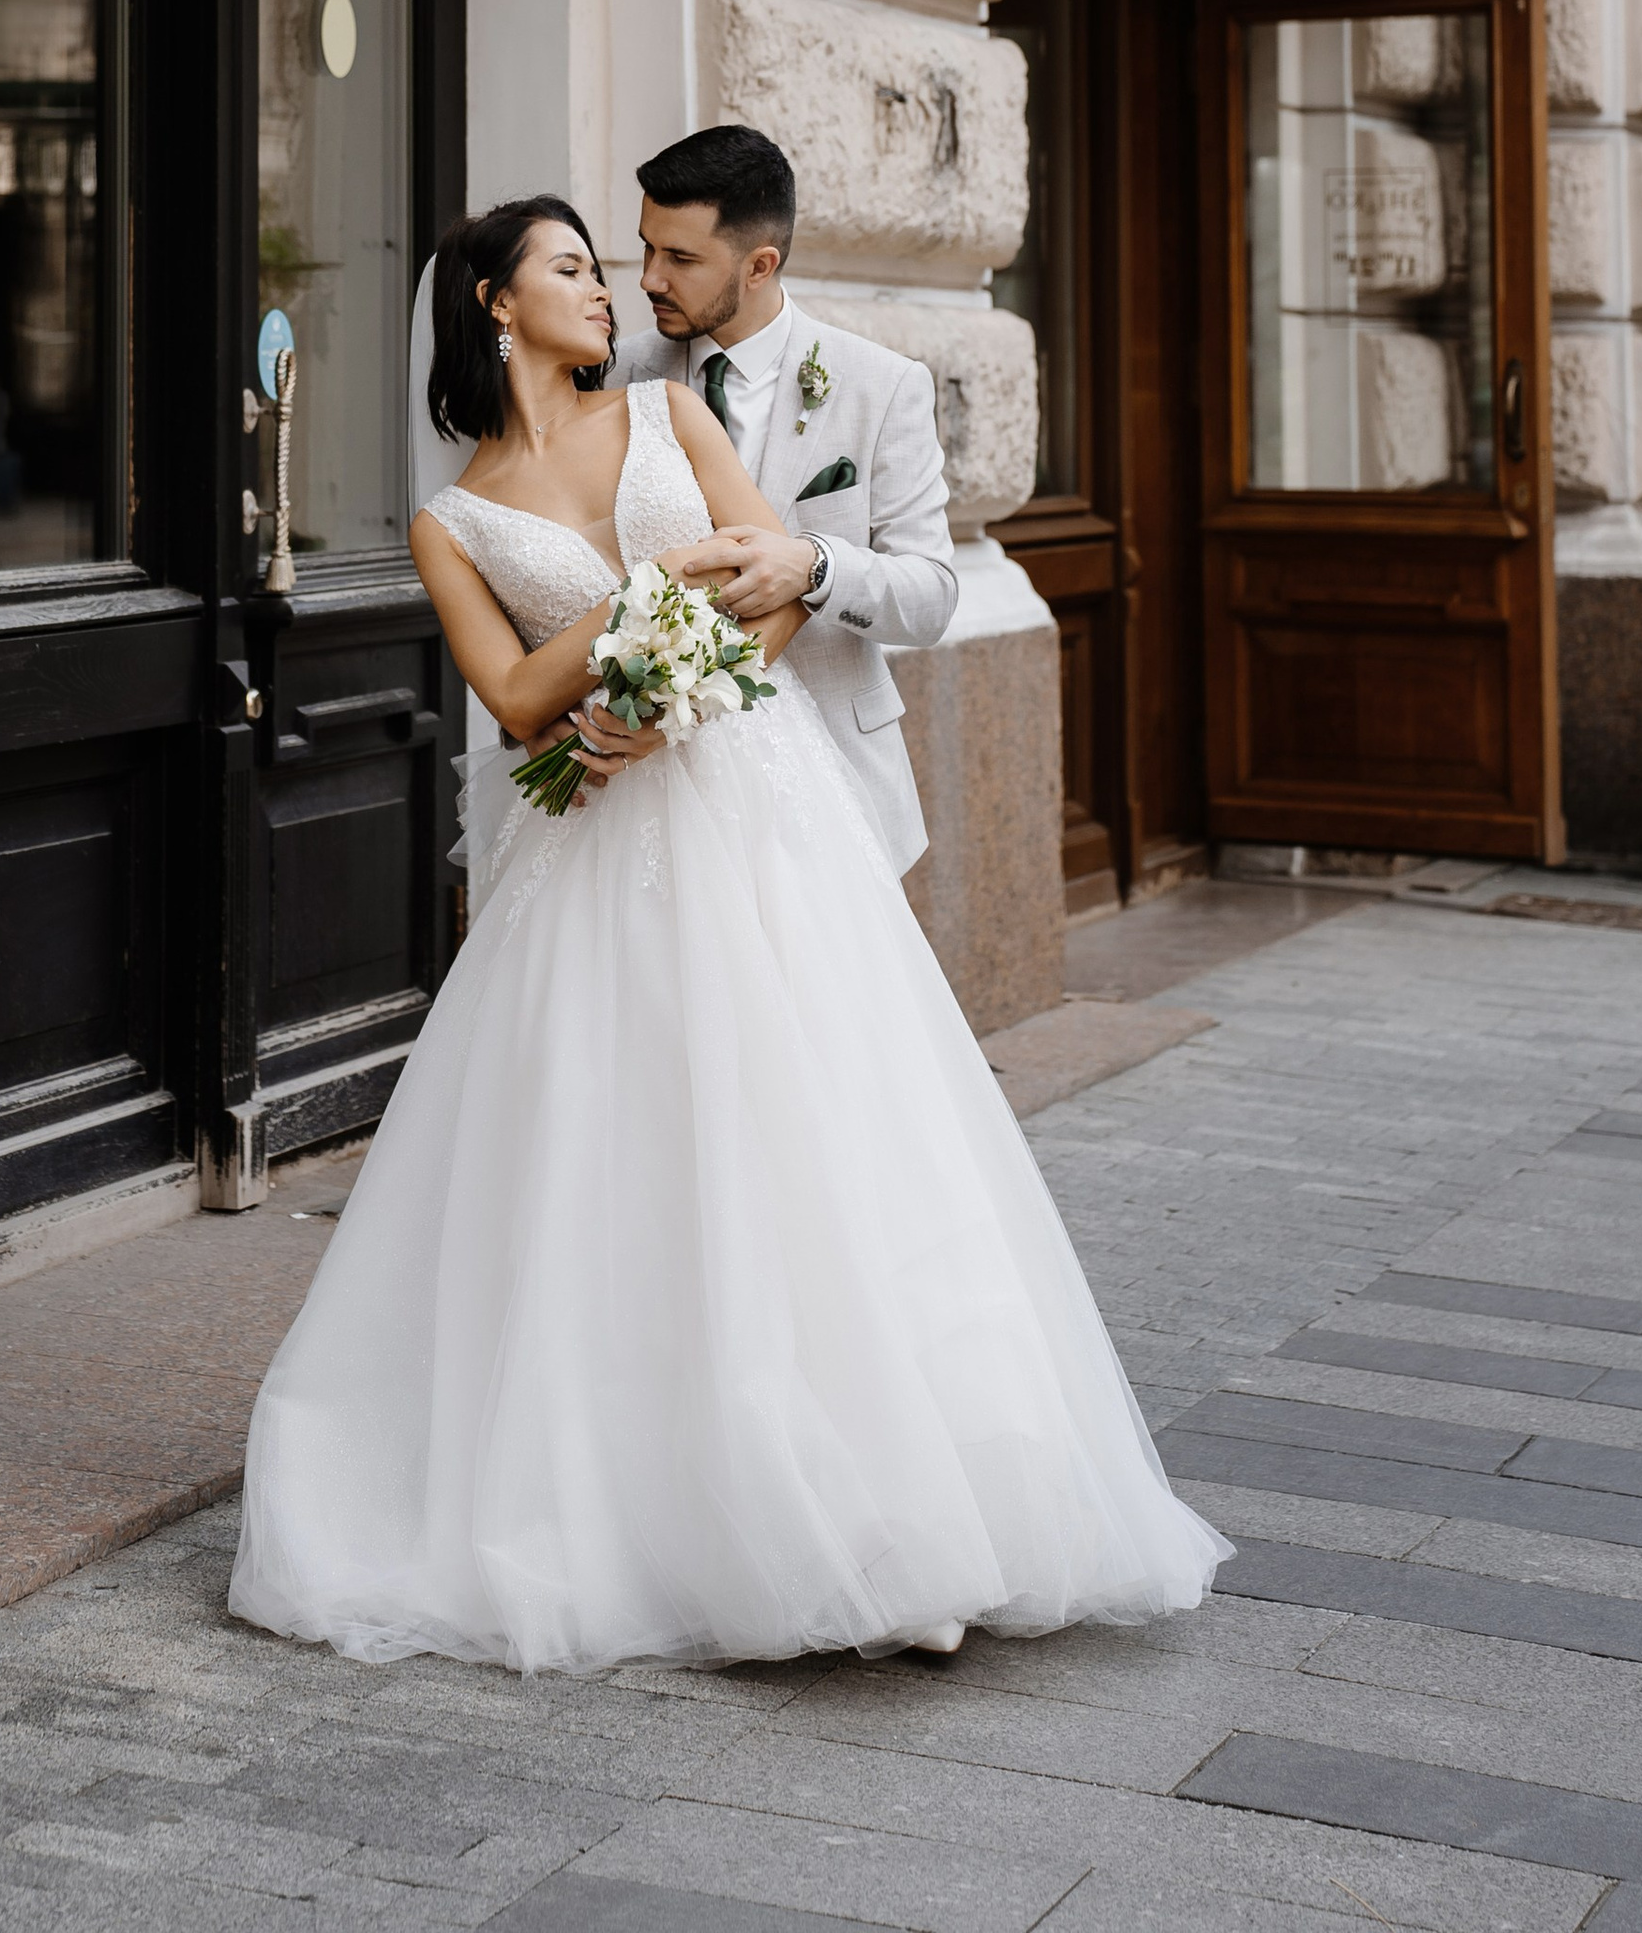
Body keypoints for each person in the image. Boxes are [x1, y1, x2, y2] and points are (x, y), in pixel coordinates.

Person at [229, 190, 1227, 1676]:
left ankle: (899, 1502)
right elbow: (511, 698)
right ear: (496, 305)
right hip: (593, 843)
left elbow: (768, 582)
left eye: (605, 266)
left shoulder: (670, 419)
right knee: (614, 1145)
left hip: (753, 801)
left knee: (819, 1124)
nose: (605, 290)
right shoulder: (453, 519)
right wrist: (630, 640)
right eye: (569, 269)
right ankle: (645, 1491)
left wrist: (685, 688)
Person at [622, 122, 953, 880]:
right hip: (655, 788)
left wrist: (814, 567)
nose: (648, 278)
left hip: (833, 776)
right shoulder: (618, 373)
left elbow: (931, 597)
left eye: (680, 258)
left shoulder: (882, 384)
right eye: (646, 246)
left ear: (761, 264)